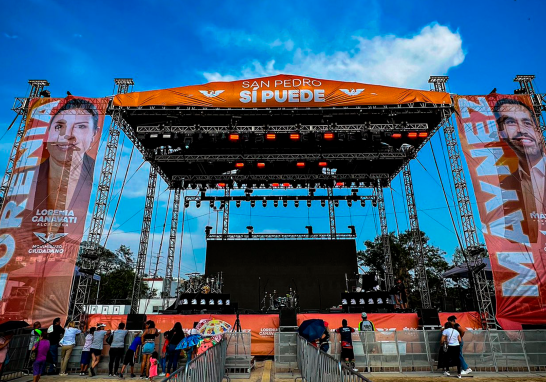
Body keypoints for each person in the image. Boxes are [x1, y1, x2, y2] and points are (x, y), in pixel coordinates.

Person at [495, 97, 544, 243]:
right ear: (501, 134)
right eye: (510, 122)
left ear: (539, 133)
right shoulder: (505, 186)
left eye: (527, 123)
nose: (521, 130)